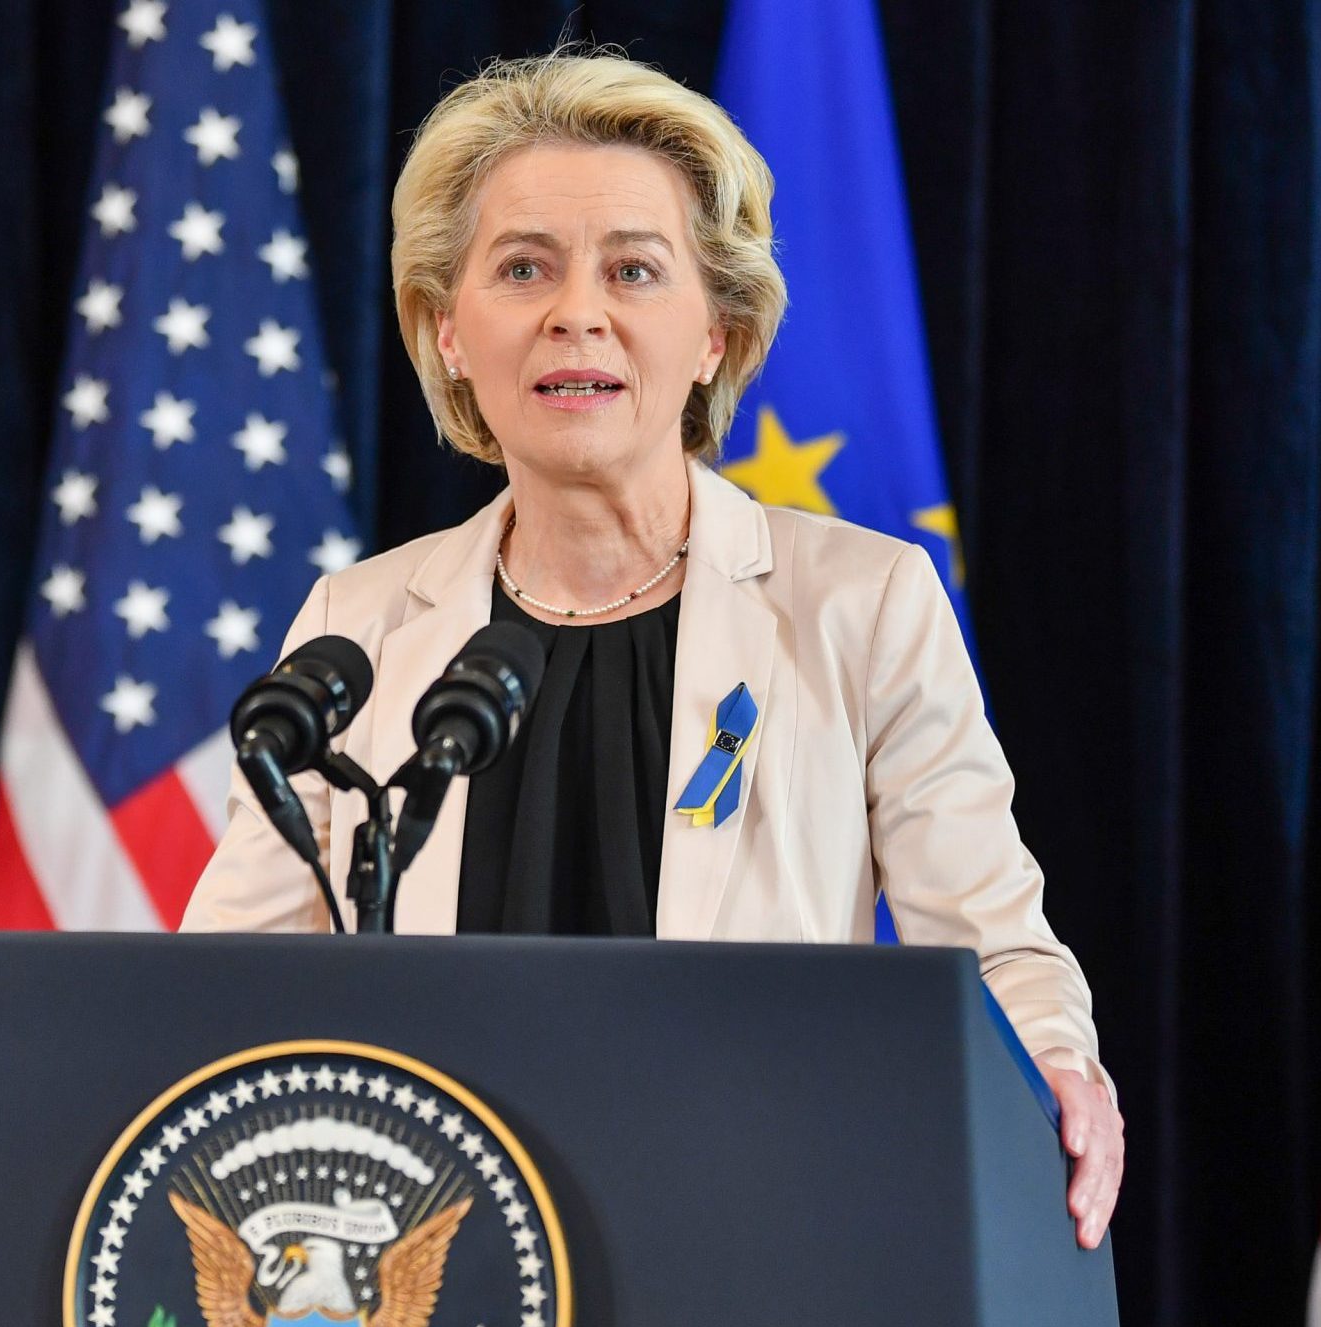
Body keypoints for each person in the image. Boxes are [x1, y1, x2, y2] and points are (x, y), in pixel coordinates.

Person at [180, 54, 1123, 1249]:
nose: (576, 311)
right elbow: (223, 991)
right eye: (523, 268)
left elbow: (991, 946)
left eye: (632, 269)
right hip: (437, 1257)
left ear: (715, 333)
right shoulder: (356, 625)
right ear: (448, 329)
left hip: (750, 1237)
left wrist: (1055, 1069)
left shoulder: (860, 605)